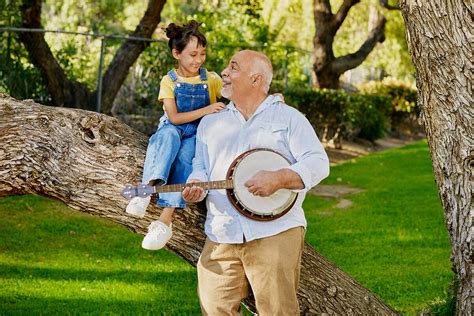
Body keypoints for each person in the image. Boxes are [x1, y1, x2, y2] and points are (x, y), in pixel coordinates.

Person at [182, 50, 330, 315]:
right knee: (214, 308)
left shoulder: (289, 119)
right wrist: (195, 186)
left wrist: (279, 178)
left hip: (275, 230)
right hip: (221, 232)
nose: (224, 72)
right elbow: (200, 167)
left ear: (256, 79)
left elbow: (318, 162)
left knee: (278, 311)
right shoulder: (210, 122)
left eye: (234, 67)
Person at [125, 20, 225, 250]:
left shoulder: (211, 79)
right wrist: (208, 109)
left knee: (186, 159)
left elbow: (234, 90)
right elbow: (174, 118)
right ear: (176, 53)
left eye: (202, 53)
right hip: (174, 126)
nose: (199, 60)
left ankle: (164, 222)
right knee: (167, 138)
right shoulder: (169, 81)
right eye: (192, 54)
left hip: (198, 133)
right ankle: (144, 190)